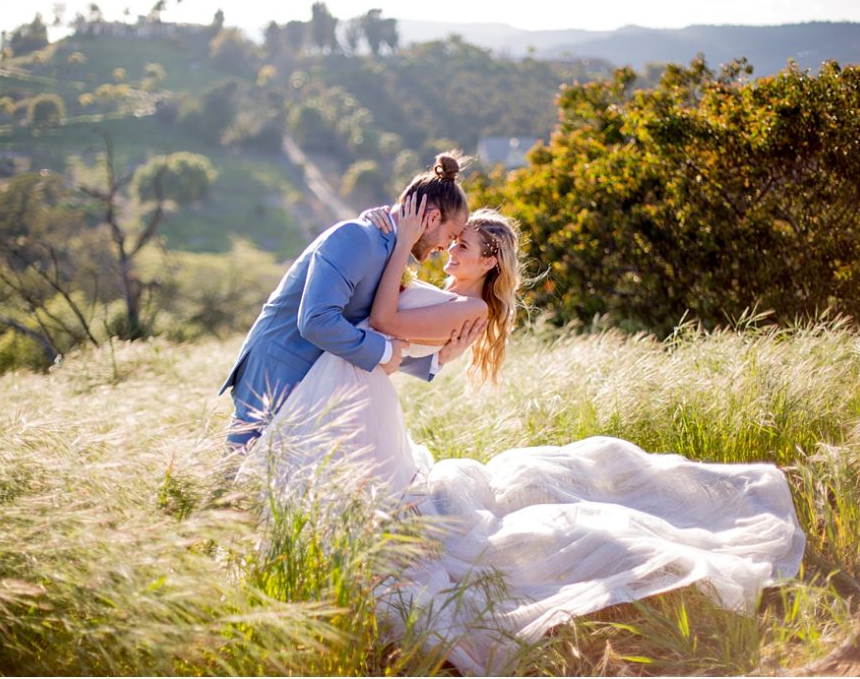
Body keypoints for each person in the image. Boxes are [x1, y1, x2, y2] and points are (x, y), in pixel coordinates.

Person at [237, 197, 805, 675]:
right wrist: (403, 279)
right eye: (452, 241)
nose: (450, 250)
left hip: (360, 401)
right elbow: (393, 344)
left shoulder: (466, 306)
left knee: (400, 523)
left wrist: (403, 238)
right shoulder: (445, 296)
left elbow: (383, 324)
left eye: (463, 246)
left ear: (490, 264)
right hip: (350, 399)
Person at [219, 151, 484, 456]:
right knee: (237, 486)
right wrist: (384, 351)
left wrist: (436, 358)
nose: (445, 247)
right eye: (449, 235)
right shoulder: (357, 237)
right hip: (278, 372)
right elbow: (316, 320)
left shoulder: (390, 250)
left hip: (315, 382)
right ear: (432, 217)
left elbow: (361, 328)